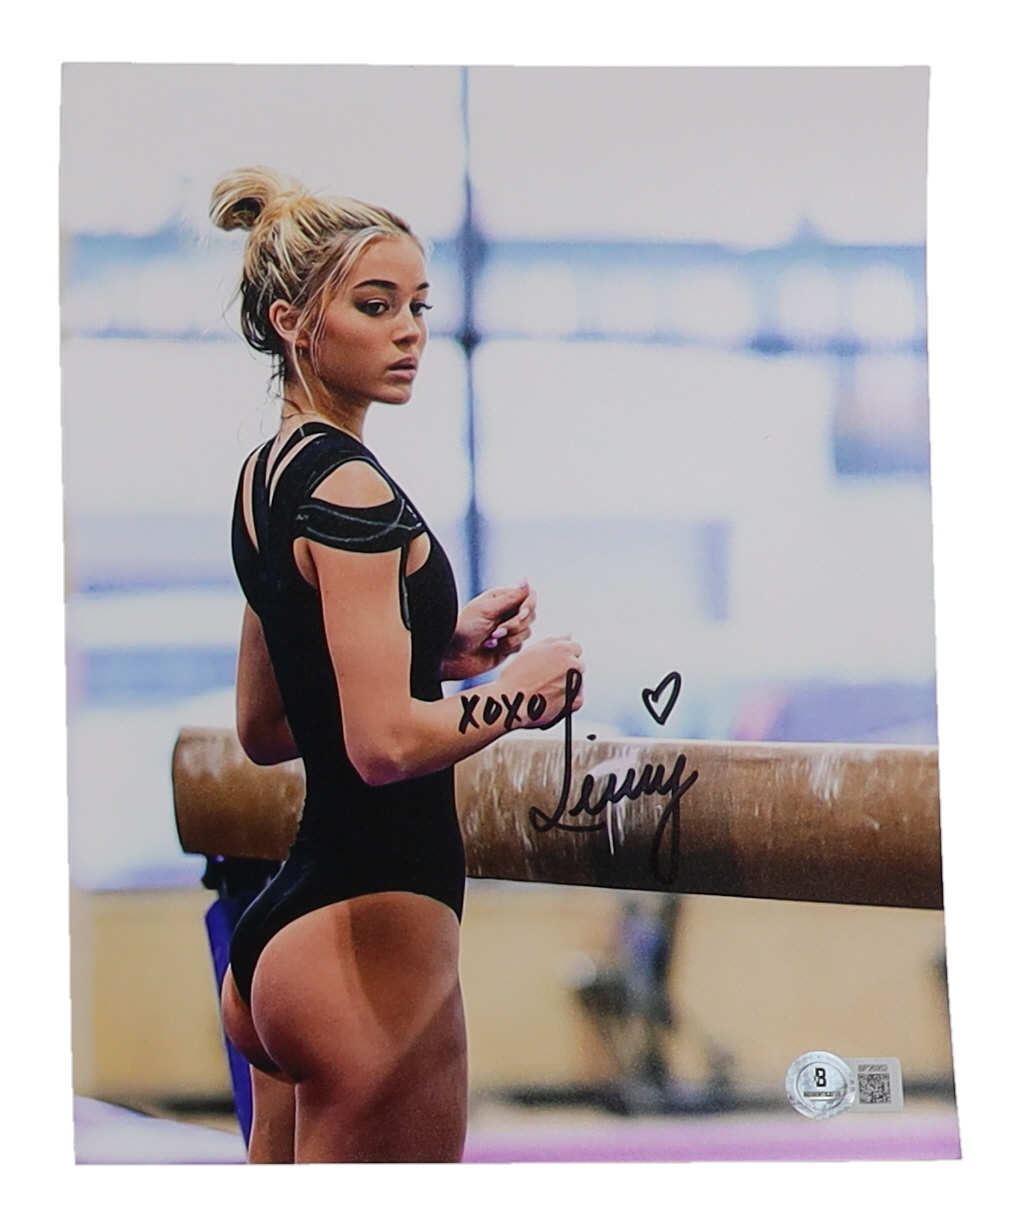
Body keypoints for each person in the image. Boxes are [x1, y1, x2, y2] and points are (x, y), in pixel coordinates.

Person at [209, 167, 584, 1163]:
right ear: (293, 323)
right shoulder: (353, 490)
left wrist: (433, 648)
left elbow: (268, 725)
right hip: (368, 935)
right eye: (374, 306)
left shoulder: (266, 478)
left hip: (284, 938)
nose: (409, 330)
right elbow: (379, 746)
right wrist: (514, 698)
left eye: (417, 304)